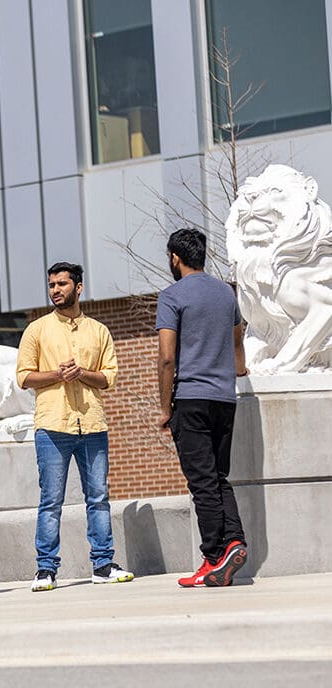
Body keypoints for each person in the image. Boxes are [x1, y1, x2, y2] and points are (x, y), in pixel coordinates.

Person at [16, 261, 134, 591]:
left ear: (78, 288)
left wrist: (81, 372)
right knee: (50, 501)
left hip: (92, 425)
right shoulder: (36, 330)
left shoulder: (99, 331)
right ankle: (45, 570)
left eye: (62, 284)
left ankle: (102, 564)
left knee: (98, 497)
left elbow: (108, 377)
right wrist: (57, 374)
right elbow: (23, 376)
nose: (55, 290)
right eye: (51, 284)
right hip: (52, 427)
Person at [156, 229, 249, 588]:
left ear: (174, 258)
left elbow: (166, 358)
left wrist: (165, 408)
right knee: (219, 477)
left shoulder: (172, 296)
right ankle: (234, 542)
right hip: (225, 398)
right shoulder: (226, 293)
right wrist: (238, 366)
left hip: (191, 399)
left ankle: (212, 558)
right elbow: (238, 333)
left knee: (202, 483)